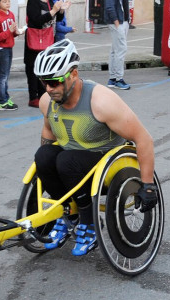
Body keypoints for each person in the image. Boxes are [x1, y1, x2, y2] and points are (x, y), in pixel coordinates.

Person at [33, 39, 157, 256]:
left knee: (66, 161)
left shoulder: (101, 101)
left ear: (73, 74)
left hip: (106, 162)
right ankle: (68, 214)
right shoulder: (47, 101)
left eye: (54, 81)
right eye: (44, 82)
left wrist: (147, 185)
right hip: (71, 163)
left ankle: (89, 222)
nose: (49, 88)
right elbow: (48, 132)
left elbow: (143, 138)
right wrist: (46, 170)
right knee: (43, 156)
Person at [24, 0, 66, 108]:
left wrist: (61, 10)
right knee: (33, 70)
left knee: (45, 68)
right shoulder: (33, 2)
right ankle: (33, 98)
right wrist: (53, 11)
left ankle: (43, 95)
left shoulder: (50, 2)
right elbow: (36, 21)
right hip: (34, 40)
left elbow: (57, 19)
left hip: (48, 39)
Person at [0, 0, 23, 110]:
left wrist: (17, 32)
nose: (8, 3)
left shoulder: (11, 14)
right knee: (3, 75)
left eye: (9, 1)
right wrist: (9, 31)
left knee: (6, 75)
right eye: (4, 1)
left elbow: (12, 33)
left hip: (9, 47)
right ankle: (2, 101)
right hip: (0, 49)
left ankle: (5, 97)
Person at [104, 0, 131, 90]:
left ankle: (113, 78)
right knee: (121, 49)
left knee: (115, 50)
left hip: (123, 21)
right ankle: (119, 79)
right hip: (117, 23)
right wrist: (117, 23)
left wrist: (127, 20)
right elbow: (109, 6)